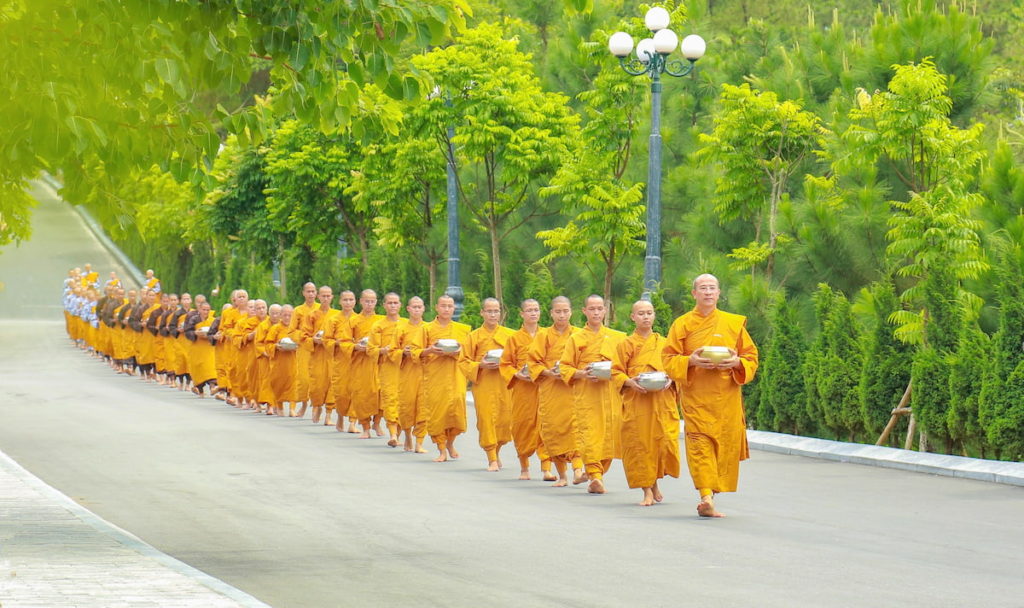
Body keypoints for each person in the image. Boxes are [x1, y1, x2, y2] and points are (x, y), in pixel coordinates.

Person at [661, 274, 759, 518]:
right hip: (697, 398)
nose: (707, 292)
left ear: (718, 293)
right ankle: (705, 495)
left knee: (723, 448)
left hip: (726, 398)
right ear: (694, 294)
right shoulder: (682, 324)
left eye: (712, 288)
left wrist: (736, 362)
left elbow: (751, 357)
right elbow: (668, 359)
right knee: (700, 445)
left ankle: (711, 495)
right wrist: (691, 360)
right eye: (702, 288)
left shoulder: (732, 323)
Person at [613, 300, 681, 507]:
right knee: (641, 445)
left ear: (654, 316)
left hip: (662, 401)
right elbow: (616, 371)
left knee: (664, 443)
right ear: (633, 317)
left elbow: (675, 367)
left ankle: (655, 483)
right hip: (638, 402)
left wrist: (672, 379)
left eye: (649, 313)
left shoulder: (665, 343)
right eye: (641, 313)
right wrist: (629, 382)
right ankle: (647, 491)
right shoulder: (625, 345)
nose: (645, 317)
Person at [559, 295, 626, 495]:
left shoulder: (618, 337)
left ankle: (596, 472)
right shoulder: (576, 338)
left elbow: (624, 365)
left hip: (610, 394)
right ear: (584, 311)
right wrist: (581, 373)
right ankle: (595, 476)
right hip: (587, 394)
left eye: (599, 308)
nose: (596, 312)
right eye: (592, 309)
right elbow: (564, 366)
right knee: (589, 435)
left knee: (610, 437)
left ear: (605, 311)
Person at [527, 296, 584, 487]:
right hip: (551, 389)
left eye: (565, 311)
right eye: (558, 311)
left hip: (572, 389)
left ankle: (578, 469)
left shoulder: (578, 335)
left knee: (575, 428)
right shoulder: (543, 336)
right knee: (553, 430)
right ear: (551, 313)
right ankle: (562, 476)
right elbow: (533, 361)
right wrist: (548, 372)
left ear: (571, 312)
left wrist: (574, 372)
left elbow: (583, 361)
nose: (562, 315)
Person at [499, 299, 555, 481]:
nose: (533, 313)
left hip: (544, 387)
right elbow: (505, 363)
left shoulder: (547, 335)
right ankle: (524, 467)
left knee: (545, 426)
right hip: (523, 390)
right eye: (529, 310)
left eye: (536, 310)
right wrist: (516, 375)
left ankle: (546, 467)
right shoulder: (514, 339)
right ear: (522, 314)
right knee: (522, 426)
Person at [460, 297, 514, 472]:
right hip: (483, 383)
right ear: (482, 313)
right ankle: (491, 457)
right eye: (489, 311)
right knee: (486, 419)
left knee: (504, 421)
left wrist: (506, 363)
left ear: (501, 313)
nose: (493, 314)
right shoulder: (474, 336)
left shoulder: (510, 335)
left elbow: (518, 358)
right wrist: (480, 365)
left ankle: (497, 451)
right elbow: (463, 362)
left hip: (504, 383)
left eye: (496, 311)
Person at [419, 295, 471, 462]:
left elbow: (469, 352)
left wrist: (458, 352)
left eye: (450, 306)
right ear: (436, 307)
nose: (446, 309)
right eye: (443, 306)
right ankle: (441, 449)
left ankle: (450, 442)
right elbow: (415, 351)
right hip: (435, 376)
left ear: (454, 308)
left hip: (457, 375)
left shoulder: (463, 329)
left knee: (456, 410)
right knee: (437, 412)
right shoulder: (426, 329)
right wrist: (431, 350)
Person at [368, 292, 403, 446]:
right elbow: (371, 349)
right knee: (390, 400)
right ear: (384, 305)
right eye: (390, 303)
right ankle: (393, 434)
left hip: (405, 369)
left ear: (401, 305)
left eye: (395, 303)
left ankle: (401, 434)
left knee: (404, 402)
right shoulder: (378, 326)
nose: (393, 306)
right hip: (388, 368)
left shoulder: (407, 324)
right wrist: (383, 350)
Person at [348, 289, 383, 437]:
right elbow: (344, 341)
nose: (369, 304)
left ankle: (377, 422)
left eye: (372, 301)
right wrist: (355, 346)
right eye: (366, 301)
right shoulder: (353, 321)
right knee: (362, 395)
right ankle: (366, 427)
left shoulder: (381, 321)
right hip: (360, 363)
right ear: (361, 301)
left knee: (381, 393)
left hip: (378, 362)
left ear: (376, 302)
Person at [394, 296, 427, 452]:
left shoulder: (427, 328)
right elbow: (392, 351)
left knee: (423, 408)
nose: (417, 310)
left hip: (424, 373)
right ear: (408, 309)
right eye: (414, 307)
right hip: (407, 373)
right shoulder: (400, 329)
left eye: (419, 307)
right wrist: (403, 352)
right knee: (406, 406)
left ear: (424, 309)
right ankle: (407, 435)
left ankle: (419, 442)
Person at [308, 285, 339, 424]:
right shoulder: (312, 315)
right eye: (323, 296)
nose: (326, 298)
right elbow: (304, 335)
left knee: (332, 383)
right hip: (318, 355)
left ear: (332, 297)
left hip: (333, 354)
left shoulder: (337, 315)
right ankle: (316, 406)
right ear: (318, 297)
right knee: (317, 383)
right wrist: (313, 340)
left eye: (328, 296)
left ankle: (328, 413)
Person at [290, 282, 318, 417]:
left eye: (313, 291)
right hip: (304, 348)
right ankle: (304, 404)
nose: (311, 294)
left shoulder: (322, 309)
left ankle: (315, 407)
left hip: (320, 349)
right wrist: (303, 336)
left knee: (318, 380)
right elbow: (291, 331)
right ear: (303, 293)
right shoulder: (298, 311)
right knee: (304, 379)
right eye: (308, 291)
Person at [267, 304, 299, 416]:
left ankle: (292, 409)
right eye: (284, 315)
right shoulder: (275, 329)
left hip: (293, 361)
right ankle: (279, 407)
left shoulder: (296, 329)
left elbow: (302, 342)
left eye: (289, 315)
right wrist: (276, 346)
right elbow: (268, 344)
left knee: (293, 385)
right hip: (279, 363)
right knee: (278, 384)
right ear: (280, 315)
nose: (287, 318)